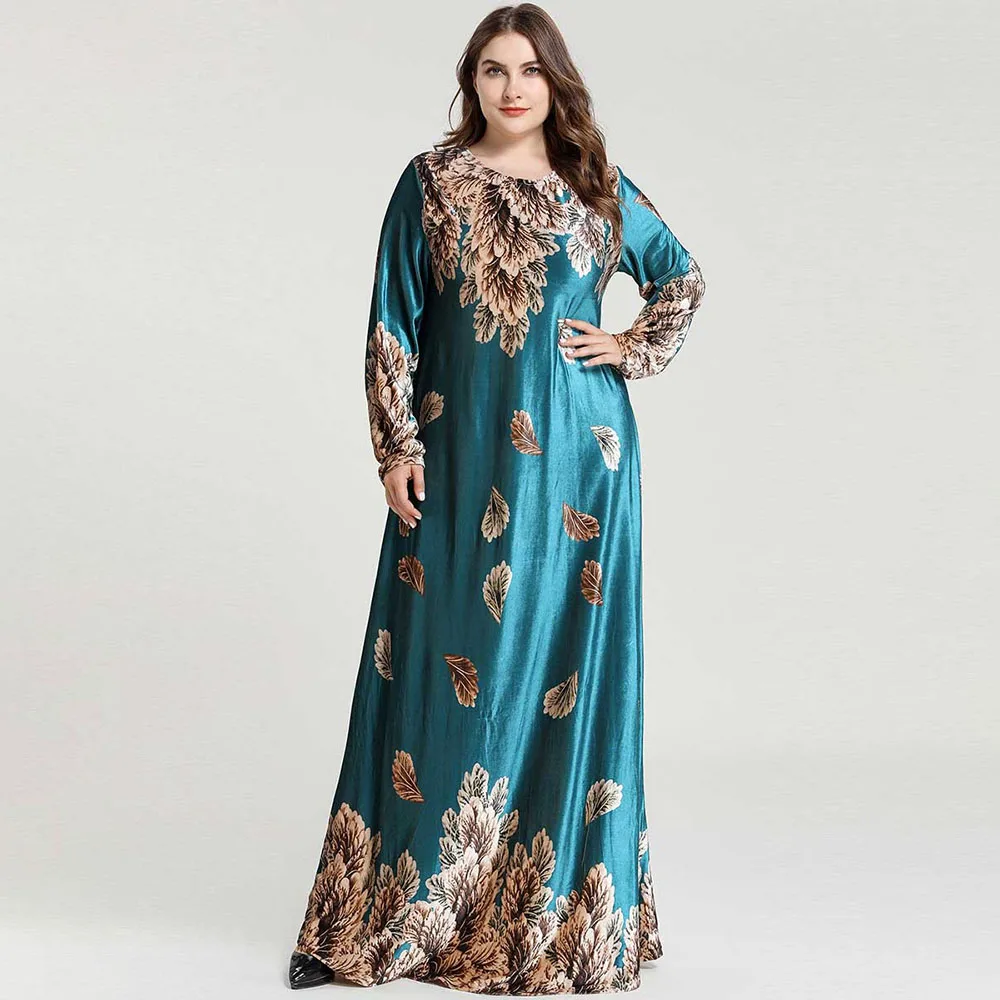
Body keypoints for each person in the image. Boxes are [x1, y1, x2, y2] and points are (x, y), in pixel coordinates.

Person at [287, 3, 705, 993]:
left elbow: (681, 280)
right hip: (460, 452)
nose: (512, 88)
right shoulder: (430, 183)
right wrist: (394, 445)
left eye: (530, 70)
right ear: (470, 81)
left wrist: (625, 346)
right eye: (492, 70)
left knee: (561, 669)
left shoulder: (595, 186)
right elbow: (393, 318)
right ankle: (396, 910)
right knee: (438, 661)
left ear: (556, 82)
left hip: (579, 466)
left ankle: (546, 914)